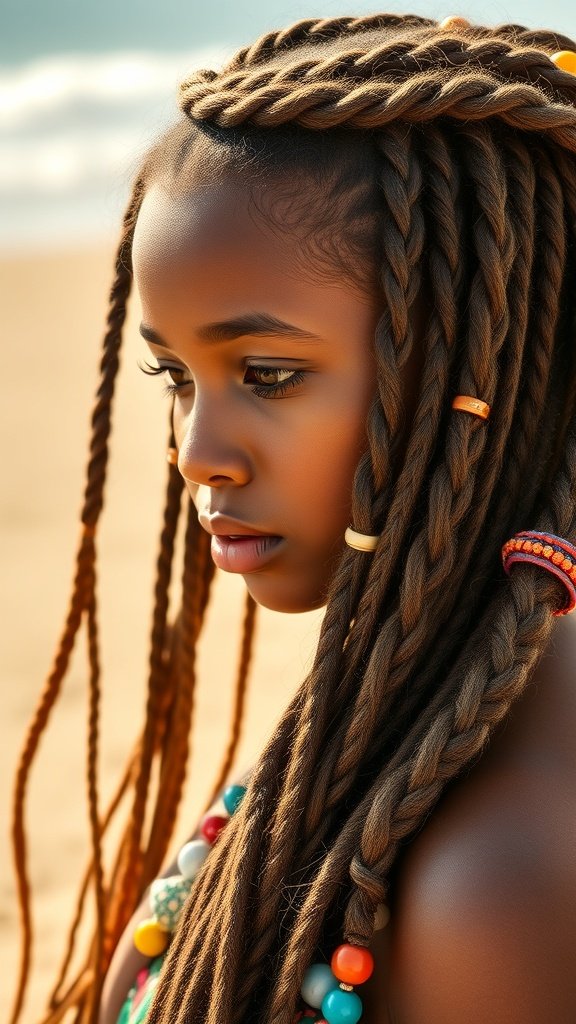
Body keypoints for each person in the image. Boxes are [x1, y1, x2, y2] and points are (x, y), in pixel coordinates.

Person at [10, 11, 576, 1024]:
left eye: (267, 373)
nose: (196, 451)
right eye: (174, 375)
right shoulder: (385, 713)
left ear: (477, 368)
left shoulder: (499, 884)